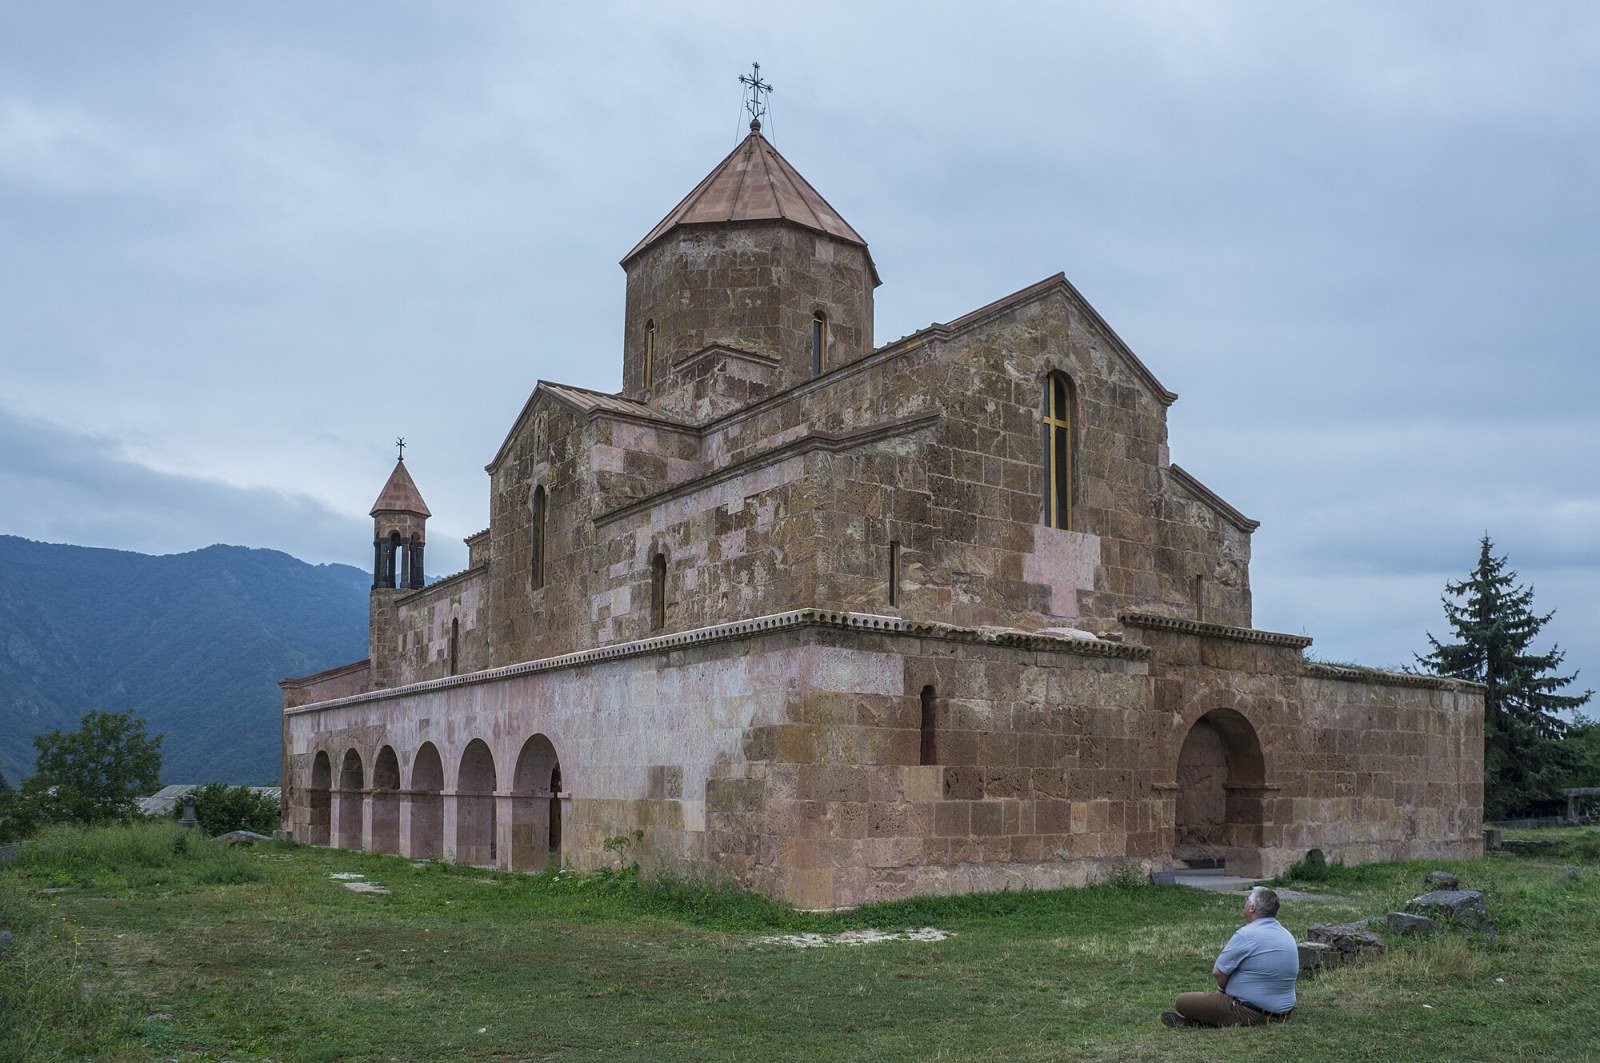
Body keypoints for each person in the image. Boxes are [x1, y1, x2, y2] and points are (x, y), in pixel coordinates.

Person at [1162, 885, 1298, 1028]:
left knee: (1182, 1001)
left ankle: (1200, 1023)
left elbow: (1218, 973)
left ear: (1252, 908)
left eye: (1246, 900)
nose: (1244, 903)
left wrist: (1223, 988)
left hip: (1253, 1011)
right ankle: (1204, 1022)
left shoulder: (1246, 934)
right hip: (1284, 1012)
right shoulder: (1286, 934)